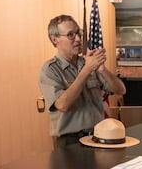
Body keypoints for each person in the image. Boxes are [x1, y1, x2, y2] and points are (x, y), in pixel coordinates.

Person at [38, 14, 126, 148]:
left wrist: (102, 70)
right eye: (70, 35)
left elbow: (120, 90)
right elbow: (62, 105)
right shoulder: (50, 70)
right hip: (71, 142)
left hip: (98, 137)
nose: (78, 39)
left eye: (78, 33)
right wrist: (86, 70)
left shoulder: (87, 62)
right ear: (55, 39)